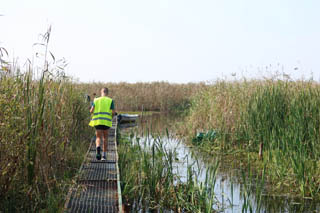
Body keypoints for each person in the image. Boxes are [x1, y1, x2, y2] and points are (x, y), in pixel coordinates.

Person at [89, 88, 115, 160]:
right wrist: (111, 117)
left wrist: (92, 112)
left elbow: (91, 111)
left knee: (98, 137)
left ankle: (98, 149)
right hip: (106, 122)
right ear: (107, 93)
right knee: (105, 138)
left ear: (101, 92)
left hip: (97, 121)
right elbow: (113, 112)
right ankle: (104, 156)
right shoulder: (110, 101)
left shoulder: (96, 100)